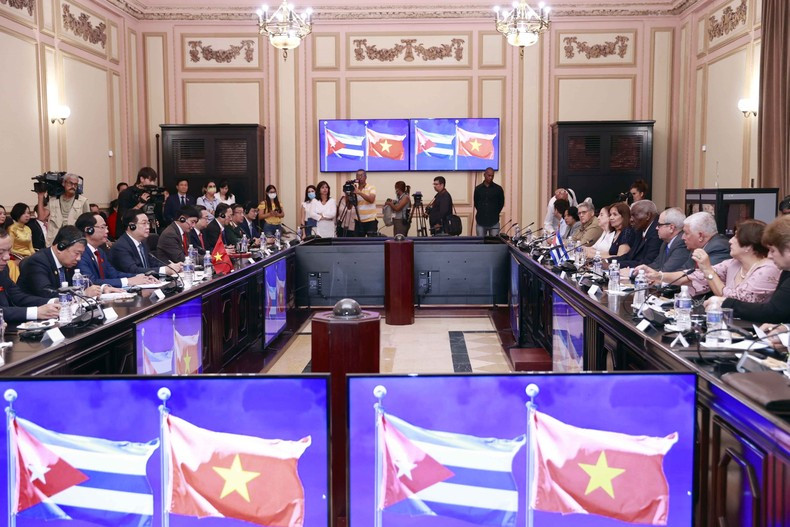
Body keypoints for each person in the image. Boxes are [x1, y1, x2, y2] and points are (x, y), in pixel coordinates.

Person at [655, 220, 779, 305]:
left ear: (749, 246)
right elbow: (695, 276)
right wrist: (658, 276)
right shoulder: (733, 263)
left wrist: (708, 270)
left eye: (736, 237)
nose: (730, 241)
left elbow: (735, 300)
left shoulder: (768, 269)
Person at [702, 215, 790, 323]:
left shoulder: (770, 268)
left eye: (772, 250)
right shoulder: (786, 271)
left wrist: (726, 302)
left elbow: (773, 311)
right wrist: (783, 328)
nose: (770, 256)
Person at [17, 225, 101, 299]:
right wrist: (82, 294)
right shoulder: (37, 261)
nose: (79, 258)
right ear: (60, 247)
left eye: (81, 254)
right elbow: (46, 293)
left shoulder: (69, 263)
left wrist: (101, 289)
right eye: (77, 253)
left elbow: (85, 282)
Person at [74, 212, 154, 289]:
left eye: (106, 227)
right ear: (89, 230)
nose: (107, 231)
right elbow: (90, 282)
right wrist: (128, 281)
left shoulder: (100, 252)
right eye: (103, 227)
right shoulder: (80, 253)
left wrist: (139, 277)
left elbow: (113, 274)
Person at [0, 228, 60, 323]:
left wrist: (53, 302)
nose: (7, 257)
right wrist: (36, 312)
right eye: (0, 252)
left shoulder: (3, 270)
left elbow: (16, 296)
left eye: (8, 251)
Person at [109, 210, 182, 276]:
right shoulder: (121, 246)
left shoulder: (143, 243)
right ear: (131, 226)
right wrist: (164, 270)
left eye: (148, 223)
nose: (148, 227)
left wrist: (171, 266)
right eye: (144, 223)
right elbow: (133, 270)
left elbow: (152, 263)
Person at [37, 172, 90, 247]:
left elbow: (88, 223)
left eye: (75, 184)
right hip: (55, 241)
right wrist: (40, 196)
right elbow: (42, 217)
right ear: (63, 183)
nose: (73, 186)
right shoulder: (53, 200)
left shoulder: (83, 201)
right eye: (70, 183)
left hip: (74, 240)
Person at [634, 207, 692, 274]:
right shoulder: (665, 242)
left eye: (659, 225)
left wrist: (641, 273)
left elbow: (666, 271)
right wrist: (636, 271)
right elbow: (656, 265)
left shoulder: (682, 243)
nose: (656, 228)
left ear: (671, 228)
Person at [617, 200, 661, 270]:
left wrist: (616, 265)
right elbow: (630, 256)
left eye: (635, 215)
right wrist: (609, 261)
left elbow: (648, 262)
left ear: (648, 215)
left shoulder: (656, 232)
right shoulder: (640, 229)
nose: (631, 219)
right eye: (631, 216)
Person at [116, 167, 158, 236]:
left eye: (154, 180)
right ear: (142, 179)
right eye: (150, 180)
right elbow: (123, 217)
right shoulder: (126, 193)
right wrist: (140, 204)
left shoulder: (150, 193)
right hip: (128, 232)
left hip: (146, 232)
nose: (153, 183)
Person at [473, 167, 505, 237]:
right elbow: (476, 203)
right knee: (481, 244)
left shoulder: (498, 189)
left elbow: (501, 203)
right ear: (484, 175)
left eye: (492, 176)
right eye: (489, 175)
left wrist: (494, 212)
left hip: (494, 221)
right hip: (481, 221)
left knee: (494, 244)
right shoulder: (478, 189)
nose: (490, 178)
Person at [353, 169, 378, 236]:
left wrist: (359, 192)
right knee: (358, 243)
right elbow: (350, 205)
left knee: (371, 243)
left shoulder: (371, 187)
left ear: (365, 177)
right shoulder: (354, 189)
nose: (359, 177)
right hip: (358, 221)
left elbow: (371, 199)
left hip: (370, 220)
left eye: (361, 175)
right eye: (357, 176)